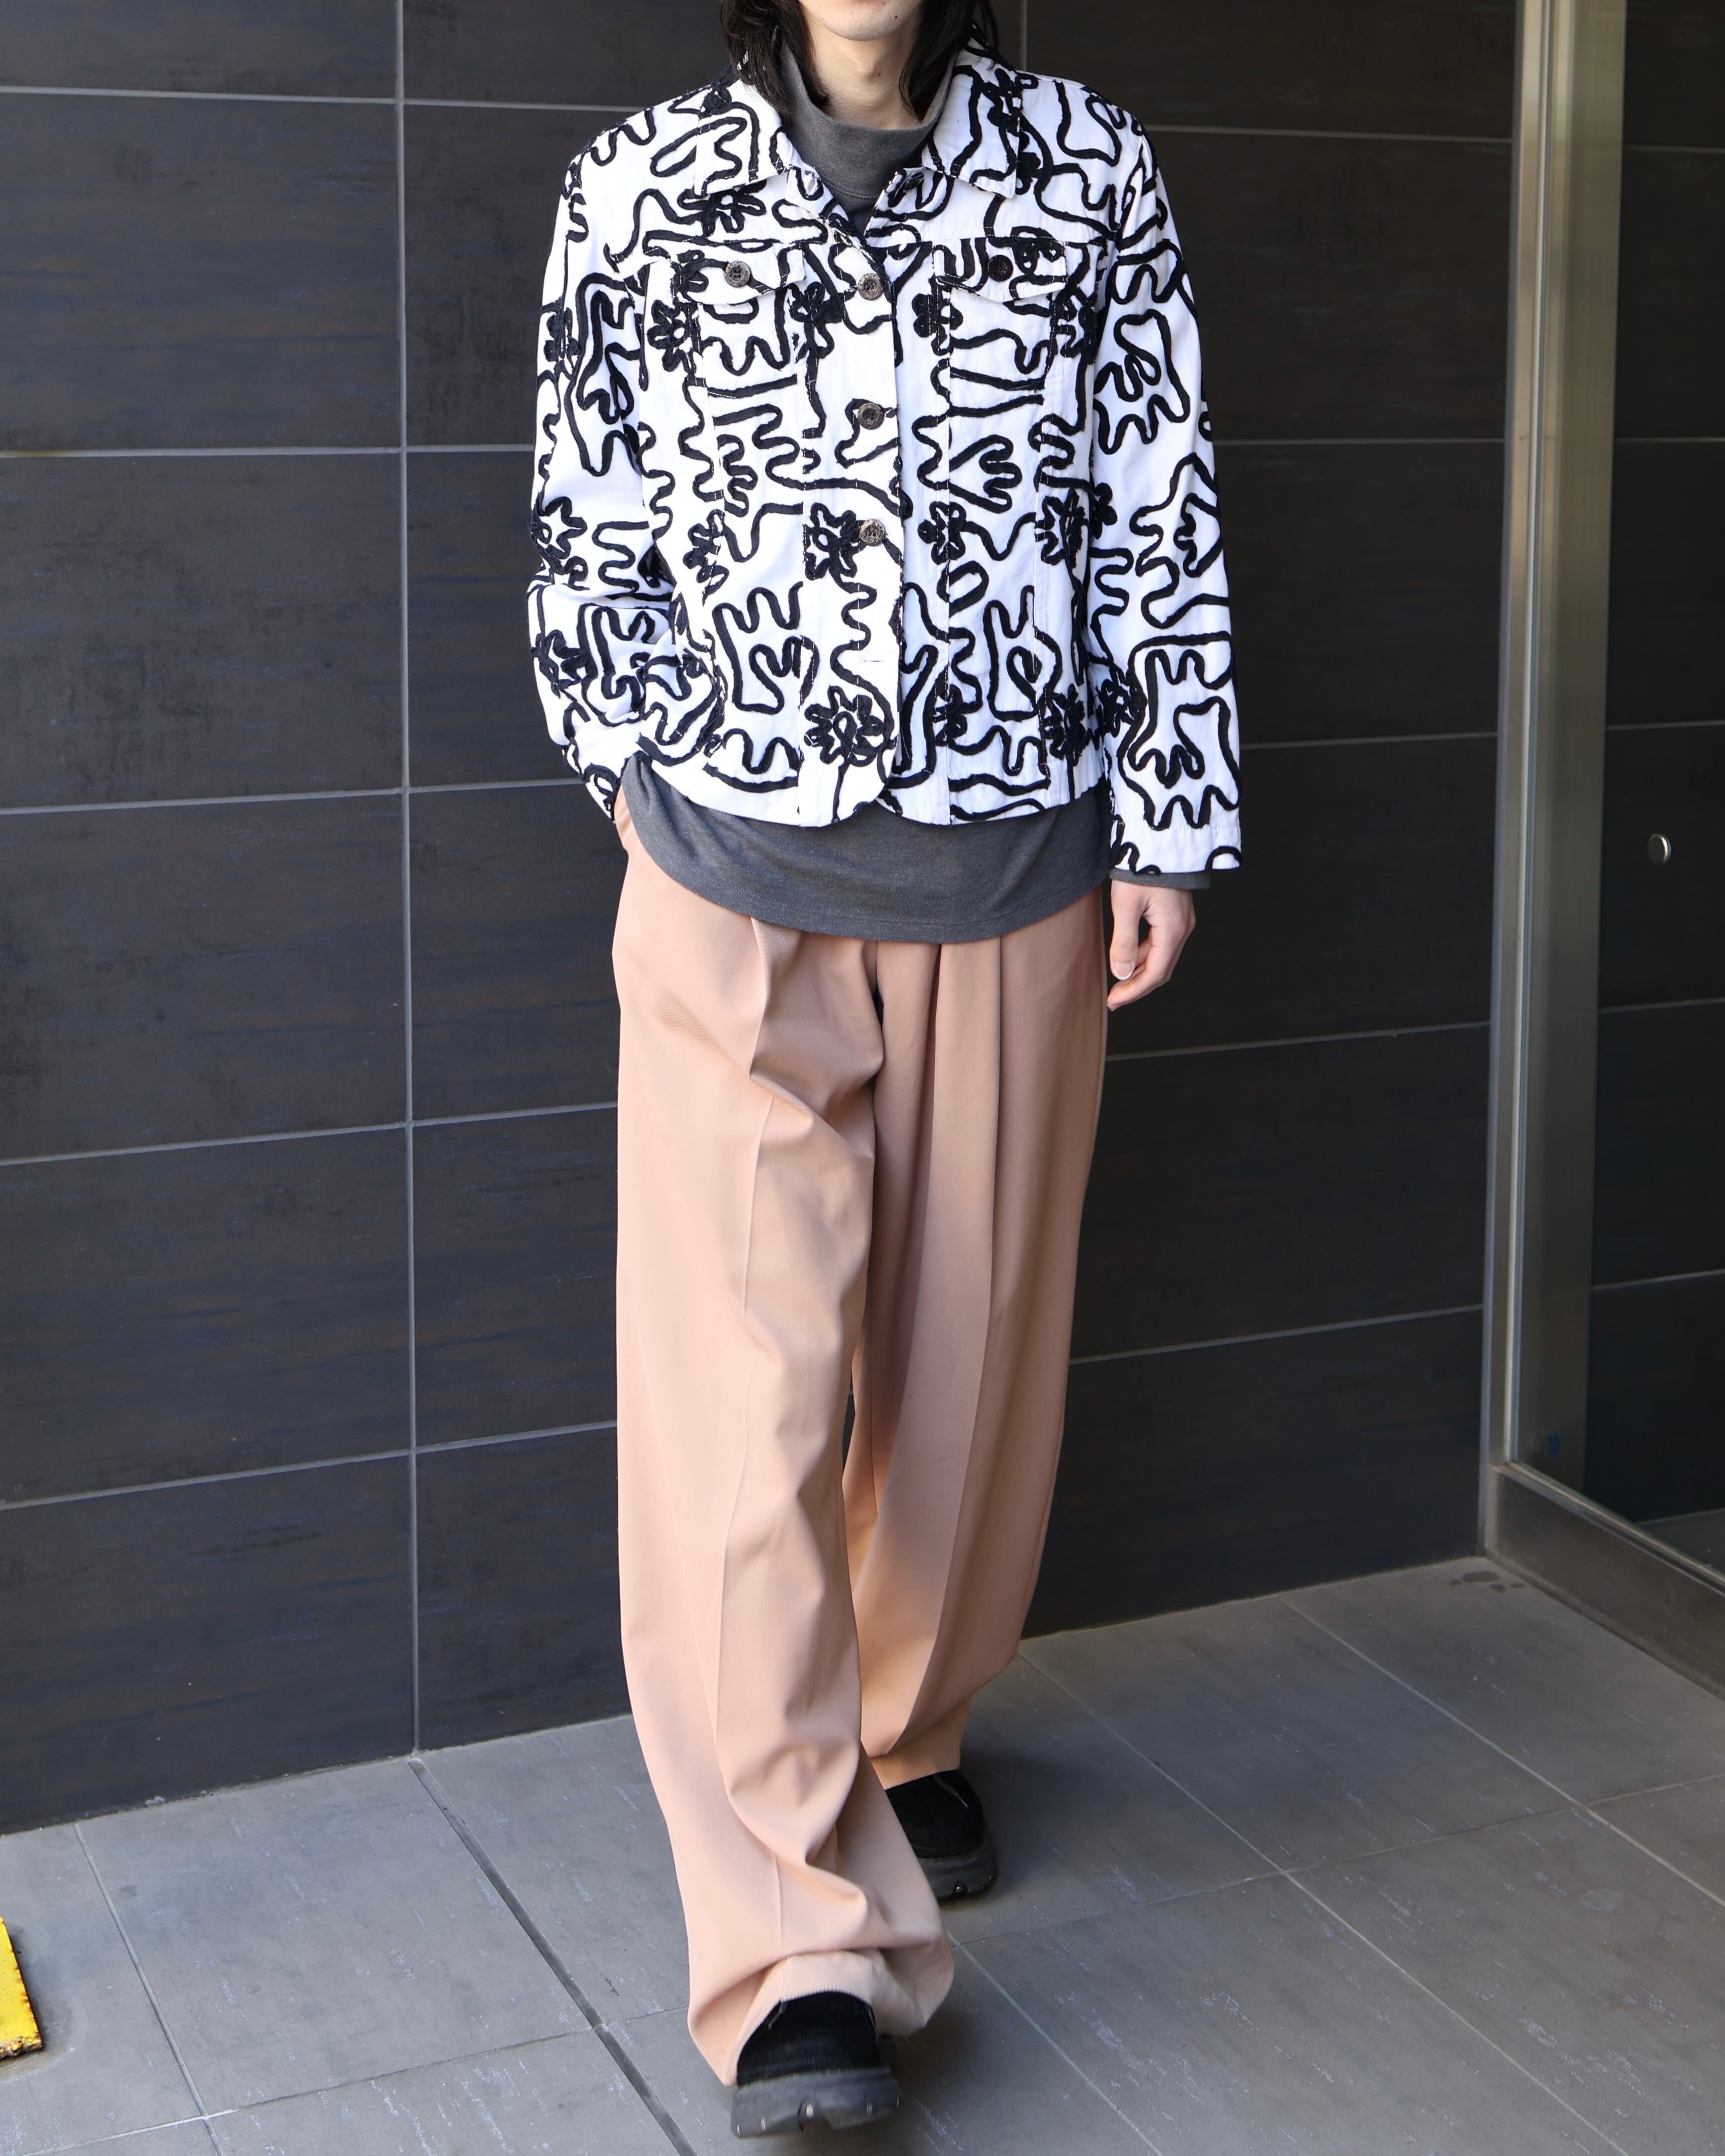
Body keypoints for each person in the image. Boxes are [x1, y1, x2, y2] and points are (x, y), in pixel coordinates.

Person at [528, 0, 1239, 2133]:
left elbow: (1155, 495)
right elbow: (587, 513)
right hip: (733, 884)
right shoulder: (636, 185)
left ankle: (901, 1731)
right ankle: (789, 1951)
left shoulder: (1089, 168)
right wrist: (634, 776)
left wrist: (1168, 821)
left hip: (1016, 873)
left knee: (962, 1386)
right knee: (739, 1417)